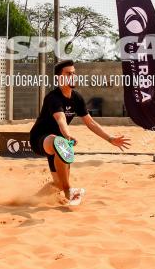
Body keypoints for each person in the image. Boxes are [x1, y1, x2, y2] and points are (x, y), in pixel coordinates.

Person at [29, 59, 130, 204]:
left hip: (60, 144)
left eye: (74, 73)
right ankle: (69, 191)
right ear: (59, 77)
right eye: (69, 74)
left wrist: (110, 138)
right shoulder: (53, 98)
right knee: (57, 142)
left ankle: (30, 201)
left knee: (58, 184)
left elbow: (90, 122)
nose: (73, 76)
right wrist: (68, 135)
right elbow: (61, 119)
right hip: (40, 138)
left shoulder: (77, 98)